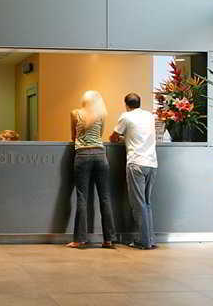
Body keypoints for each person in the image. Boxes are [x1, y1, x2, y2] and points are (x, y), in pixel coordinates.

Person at [67, 91, 116, 249]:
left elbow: (73, 137)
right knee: (105, 198)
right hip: (101, 155)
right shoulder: (101, 115)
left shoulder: (75, 113)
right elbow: (100, 135)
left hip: (82, 155)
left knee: (82, 198)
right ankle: (108, 239)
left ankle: (79, 239)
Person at [110, 92, 158, 250]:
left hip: (136, 163)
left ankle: (144, 241)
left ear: (126, 104)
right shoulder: (150, 116)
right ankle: (150, 239)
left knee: (138, 204)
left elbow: (114, 137)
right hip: (151, 163)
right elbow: (142, 136)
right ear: (139, 103)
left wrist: (123, 138)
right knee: (147, 203)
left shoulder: (126, 116)